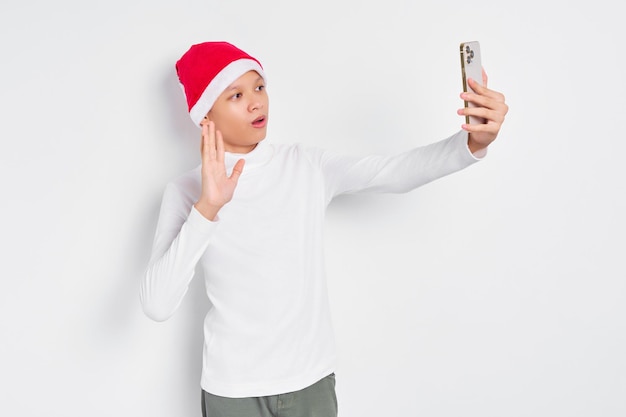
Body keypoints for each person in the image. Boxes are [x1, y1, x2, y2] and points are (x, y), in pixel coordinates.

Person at [140, 41, 508, 417]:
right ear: (207, 117)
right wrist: (208, 208)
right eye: (236, 94)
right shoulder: (187, 191)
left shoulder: (305, 165)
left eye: (260, 87)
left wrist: (470, 144)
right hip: (232, 390)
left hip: (310, 384)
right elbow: (157, 304)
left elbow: (389, 172)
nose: (256, 103)